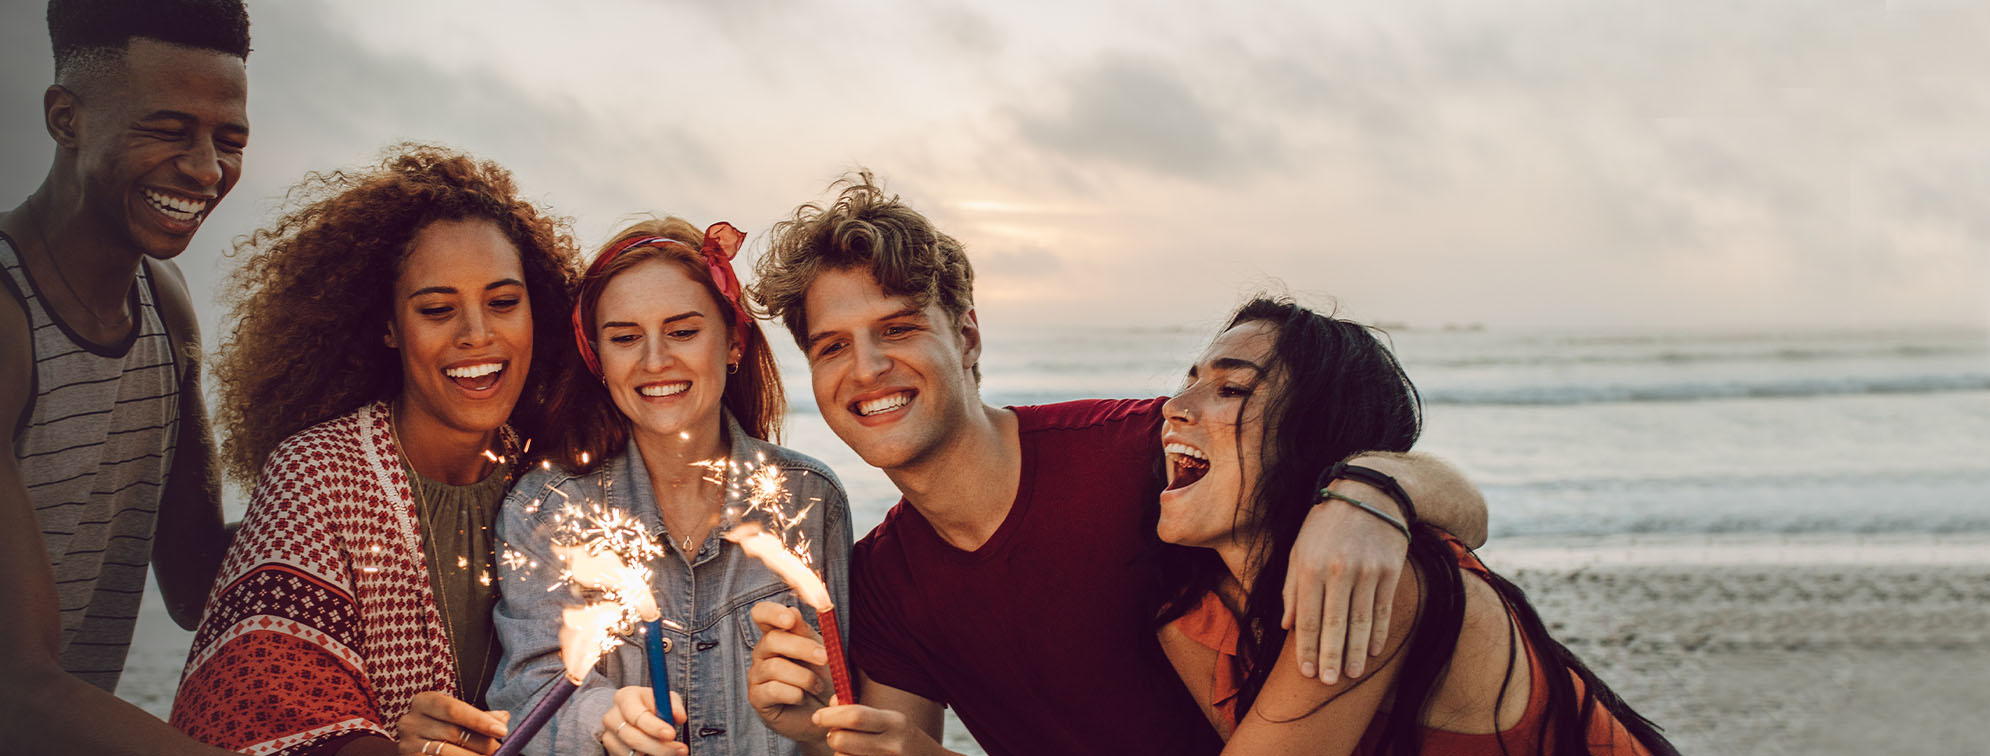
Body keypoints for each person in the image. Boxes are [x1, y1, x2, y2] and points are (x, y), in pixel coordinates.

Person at [740, 172, 1488, 756]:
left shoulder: (1146, 447)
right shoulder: (885, 584)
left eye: (897, 328)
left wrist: (1372, 494)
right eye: (832, 346)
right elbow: (894, 748)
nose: (866, 368)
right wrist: (817, 729)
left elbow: (1465, 511)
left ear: (966, 337)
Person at [168, 144, 579, 756]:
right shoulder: (317, 477)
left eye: (503, 302)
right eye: (437, 309)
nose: (477, 334)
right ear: (387, 326)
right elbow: (256, 711)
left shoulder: (562, 474)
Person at [1153, 296, 1677, 754]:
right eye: (1191, 383)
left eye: (1233, 389)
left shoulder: (1389, 579)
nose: (1173, 408)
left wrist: (1367, 491)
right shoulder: (1194, 616)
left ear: (1313, 434)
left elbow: (1469, 513)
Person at [488, 218, 851, 756]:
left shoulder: (809, 500)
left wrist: (820, 715)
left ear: (733, 340)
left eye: (683, 331)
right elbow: (529, 698)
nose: (655, 361)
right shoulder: (544, 510)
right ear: (598, 359)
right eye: (625, 338)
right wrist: (602, 720)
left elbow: (848, 721)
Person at [0, 0, 246, 752]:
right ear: (65, 118)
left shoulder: (163, 309)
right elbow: (17, 691)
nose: (206, 169)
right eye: (167, 130)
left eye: (228, 139)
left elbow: (196, 579)